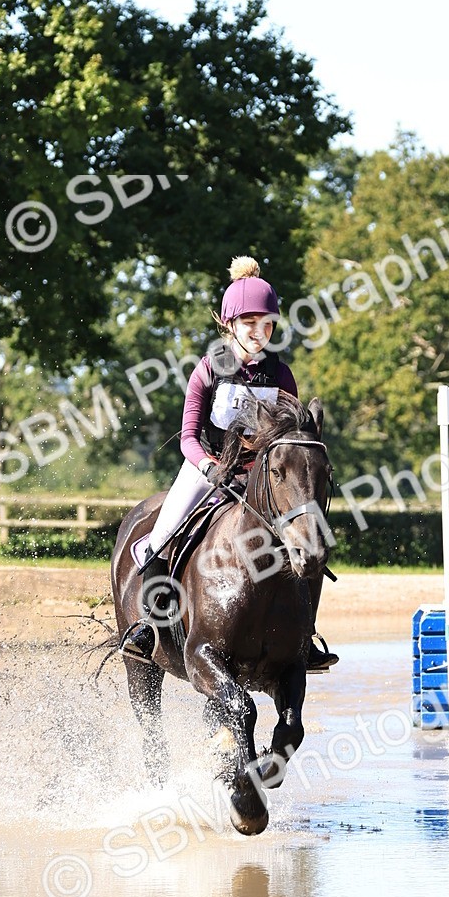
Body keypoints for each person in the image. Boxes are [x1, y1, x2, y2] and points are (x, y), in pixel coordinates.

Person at [119, 255, 339, 671]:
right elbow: (187, 438)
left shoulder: (281, 375)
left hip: (261, 480)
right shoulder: (208, 370)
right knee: (161, 536)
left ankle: (304, 637)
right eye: (251, 324)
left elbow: (287, 441)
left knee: (310, 542)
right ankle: (147, 627)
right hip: (208, 470)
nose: (261, 333)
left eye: (268, 324)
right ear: (230, 325)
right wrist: (209, 468)